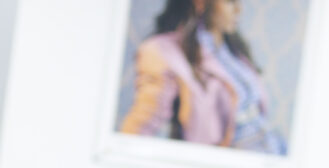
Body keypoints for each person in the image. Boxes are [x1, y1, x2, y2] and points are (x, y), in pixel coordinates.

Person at [120, 0, 286, 153]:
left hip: (273, 147)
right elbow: (146, 119)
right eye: (230, 1)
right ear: (200, 3)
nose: (238, 10)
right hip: (232, 159)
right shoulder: (164, 51)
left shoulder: (234, 51)